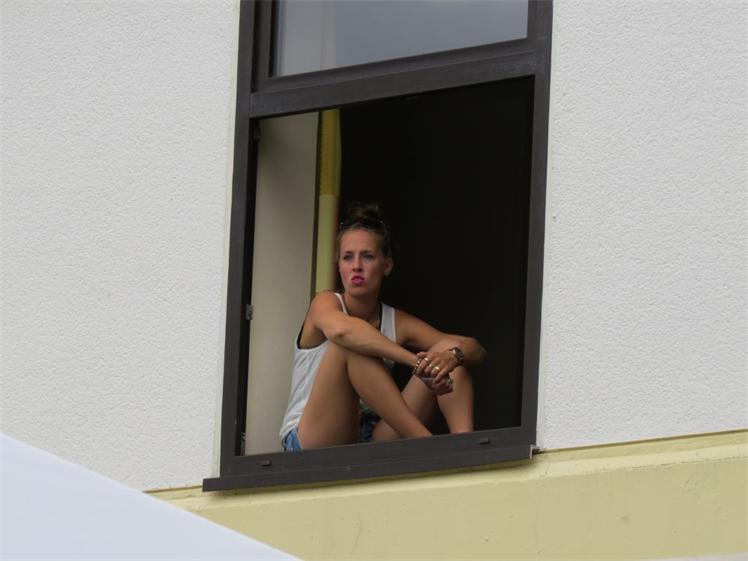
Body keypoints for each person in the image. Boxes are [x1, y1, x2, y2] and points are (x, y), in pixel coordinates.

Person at [279, 202, 487, 451]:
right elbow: (343, 332)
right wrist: (417, 363)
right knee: (349, 347)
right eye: (347, 257)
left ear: (386, 265)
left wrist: (451, 358)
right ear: (339, 265)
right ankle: (430, 446)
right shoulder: (325, 303)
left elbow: (475, 349)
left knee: (448, 353)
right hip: (310, 440)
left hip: (371, 437)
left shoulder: (395, 320)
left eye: (367, 256)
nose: (356, 266)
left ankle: (464, 448)